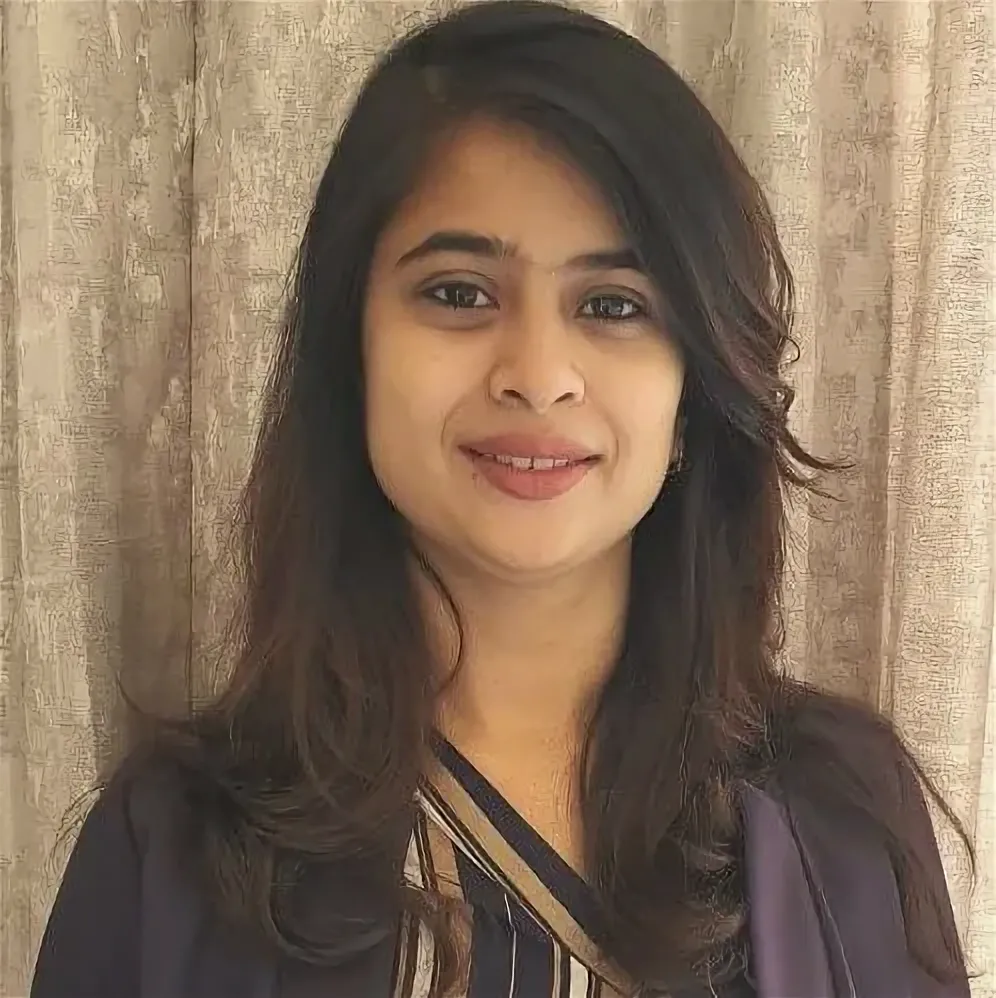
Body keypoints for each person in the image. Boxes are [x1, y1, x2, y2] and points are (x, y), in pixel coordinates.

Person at [31, 2, 972, 996]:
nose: (537, 374)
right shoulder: (170, 848)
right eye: (459, 292)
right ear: (351, 352)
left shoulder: (837, 820)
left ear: (693, 394)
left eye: (613, 305)